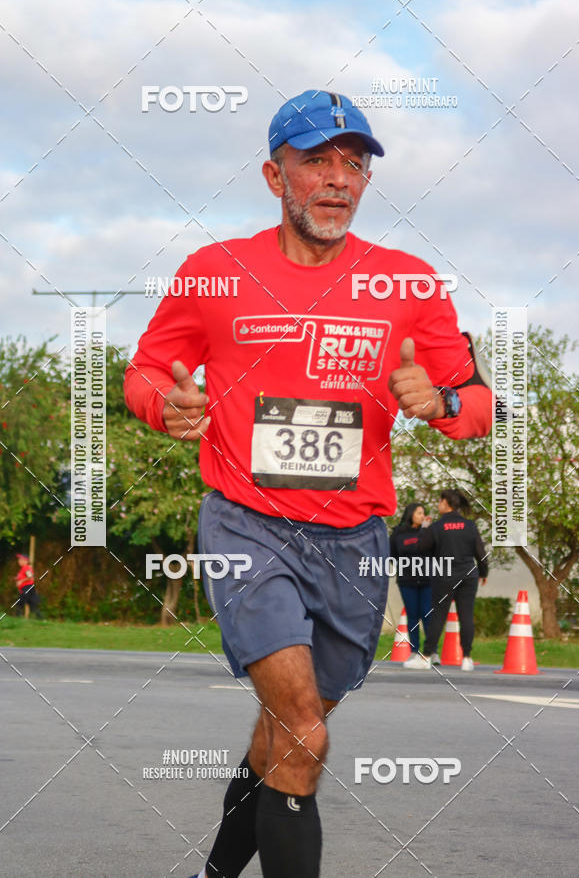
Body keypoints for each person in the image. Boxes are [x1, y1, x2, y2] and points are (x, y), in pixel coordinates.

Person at [124, 89, 493, 878]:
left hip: (354, 540)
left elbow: (480, 404)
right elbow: (145, 373)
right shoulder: (215, 273)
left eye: (353, 164)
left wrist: (445, 399)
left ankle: (214, 873)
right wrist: (166, 405)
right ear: (274, 174)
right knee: (302, 728)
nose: (337, 180)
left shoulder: (410, 285)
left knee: (285, 734)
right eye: (315, 160)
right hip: (247, 524)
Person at [404, 488, 488, 672]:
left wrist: (424, 530)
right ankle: (467, 658)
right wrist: (484, 572)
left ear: (445, 503)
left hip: (444, 576)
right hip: (468, 575)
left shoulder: (437, 527)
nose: (437, 504)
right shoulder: (470, 526)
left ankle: (426, 656)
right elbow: (480, 552)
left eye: (439, 501)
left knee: (438, 616)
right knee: (466, 616)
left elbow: (420, 548)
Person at [389, 502, 440, 665]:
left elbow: (433, 550)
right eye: (419, 513)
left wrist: (425, 529)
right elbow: (392, 554)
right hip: (407, 580)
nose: (422, 516)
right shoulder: (398, 533)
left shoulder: (428, 532)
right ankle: (414, 651)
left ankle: (432, 651)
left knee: (427, 614)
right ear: (410, 514)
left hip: (427, 579)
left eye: (423, 513)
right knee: (412, 615)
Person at [14, 553, 41, 619]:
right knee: (32, 606)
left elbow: (30, 577)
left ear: (25, 561)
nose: (19, 561)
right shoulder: (23, 568)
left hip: (27, 588)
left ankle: (17, 619)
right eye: (19, 559)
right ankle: (42, 619)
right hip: (27, 588)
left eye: (20, 559)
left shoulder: (26, 567)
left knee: (20, 603)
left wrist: (21, 581)